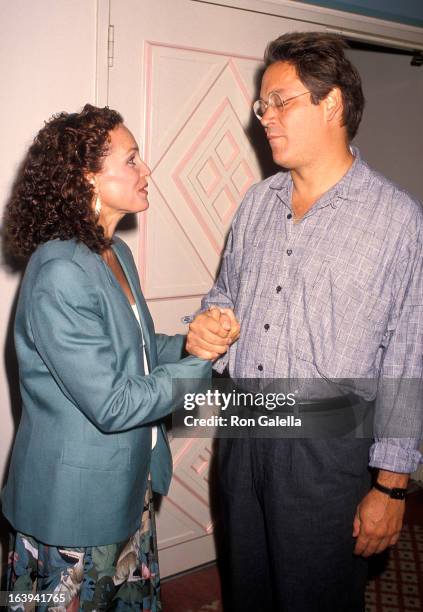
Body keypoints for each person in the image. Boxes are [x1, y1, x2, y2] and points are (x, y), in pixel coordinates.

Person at [186, 33, 423, 611]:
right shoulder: (254, 204)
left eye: (280, 101)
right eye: (262, 105)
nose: (264, 116)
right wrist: (209, 325)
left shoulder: (398, 222)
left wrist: (391, 486)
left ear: (332, 104)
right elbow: (225, 293)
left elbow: (409, 356)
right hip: (244, 435)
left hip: (327, 453)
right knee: (249, 592)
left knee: (315, 599)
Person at [1, 104, 219, 611]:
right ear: (86, 178)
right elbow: (114, 402)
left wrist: (196, 342)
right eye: (132, 160)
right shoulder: (59, 271)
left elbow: (136, 351)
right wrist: (198, 368)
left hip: (125, 485)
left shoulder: (111, 252)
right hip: (73, 509)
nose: (147, 172)